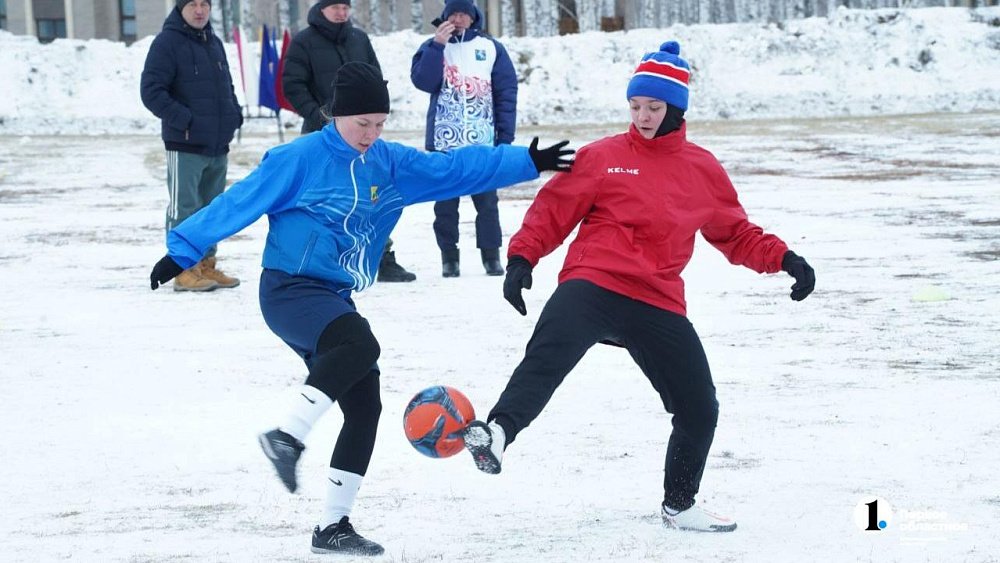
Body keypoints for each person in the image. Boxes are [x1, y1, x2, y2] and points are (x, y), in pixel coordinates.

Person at [148, 63, 573, 556]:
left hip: (334, 296)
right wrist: (183, 250)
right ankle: (287, 436)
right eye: (361, 124)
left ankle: (333, 526)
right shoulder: (300, 158)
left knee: (365, 404)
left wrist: (526, 160)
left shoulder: (390, 164)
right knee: (359, 343)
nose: (371, 134)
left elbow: (456, 169)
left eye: (379, 123)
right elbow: (240, 200)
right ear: (335, 116)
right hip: (289, 289)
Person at [460, 41, 817, 533]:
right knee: (546, 356)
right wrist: (523, 258)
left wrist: (784, 259)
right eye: (635, 106)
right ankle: (498, 432)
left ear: (676, 108)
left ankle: (680, 503)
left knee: (699, 406)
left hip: (656, 297)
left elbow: (735, 232)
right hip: (594, 280)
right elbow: (553, 209)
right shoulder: (603, 156)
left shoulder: (701, 168)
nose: (643, 116)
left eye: (654, 107)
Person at [282, 0, 416, 283]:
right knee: (325, 199)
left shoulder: (359, 38)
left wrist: (372, 115)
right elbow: (292, 84)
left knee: (372, 194)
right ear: (321, 10)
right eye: (335, 8)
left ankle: (381, 256)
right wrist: (321, 117)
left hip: (362, 134)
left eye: (345, 7)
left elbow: (374, 77)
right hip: (323, 134)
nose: (341, 13)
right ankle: (324, 257)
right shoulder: (303, 41)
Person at [140, 0, 243, 291]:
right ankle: (183, 270)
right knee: (184, 208)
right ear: (180, 8)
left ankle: (206, 265)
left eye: (204, 4)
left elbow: (226, 86)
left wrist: (235, 114)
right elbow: (151, 91)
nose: (199, 10)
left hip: (217, 144)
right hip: (184, 144)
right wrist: (185, 120)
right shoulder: (166, 43)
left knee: (212, 210)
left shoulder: (214, 43)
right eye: (193, 4)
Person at [411, 0, 518, 278]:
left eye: (464, 14)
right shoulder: (432, 46)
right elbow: (423, 82)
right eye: (453, 14)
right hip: (444, 140)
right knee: (445, 204)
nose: (458, 19)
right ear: (445, 17)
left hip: (482, 141)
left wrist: (505, 136)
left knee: (487, 204)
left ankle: (491, 256)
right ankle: (449, 258)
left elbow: (506, 92)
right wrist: (437, 46)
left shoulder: (491, 47)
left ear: (473, 18)